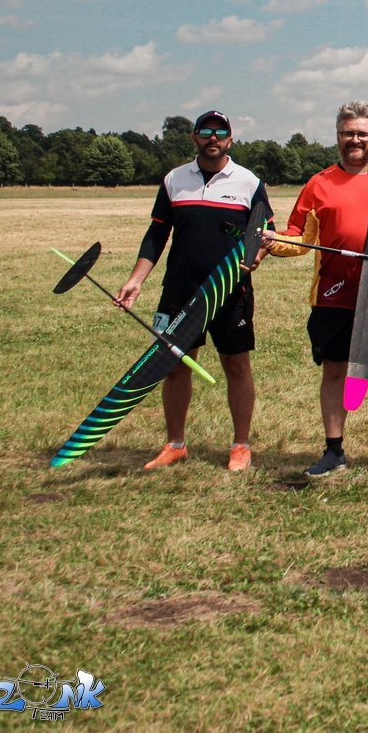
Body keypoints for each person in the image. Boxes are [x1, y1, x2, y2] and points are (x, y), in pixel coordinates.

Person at [264, 101, 368, 477]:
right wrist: (273, 242)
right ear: (338, 136)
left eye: (362, 133)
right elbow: (299, 238)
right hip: (333, 293)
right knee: (334, 370)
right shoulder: (319, 184)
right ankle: (334, 450)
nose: (354, 140)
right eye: (347, 133)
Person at [117, 110, 270, 472]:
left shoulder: (249, 182)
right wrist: (137, 279)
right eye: (205, 131)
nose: (212, 137)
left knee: (236, 364)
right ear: (195, 138)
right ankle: (175, 444)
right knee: (174, 366)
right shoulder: (174, 180)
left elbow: (264, 233)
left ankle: (241, 446)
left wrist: (257, 256)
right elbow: (157, 233)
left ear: (230, 139)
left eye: (220, 132)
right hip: (180, 289)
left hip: (229, 290)